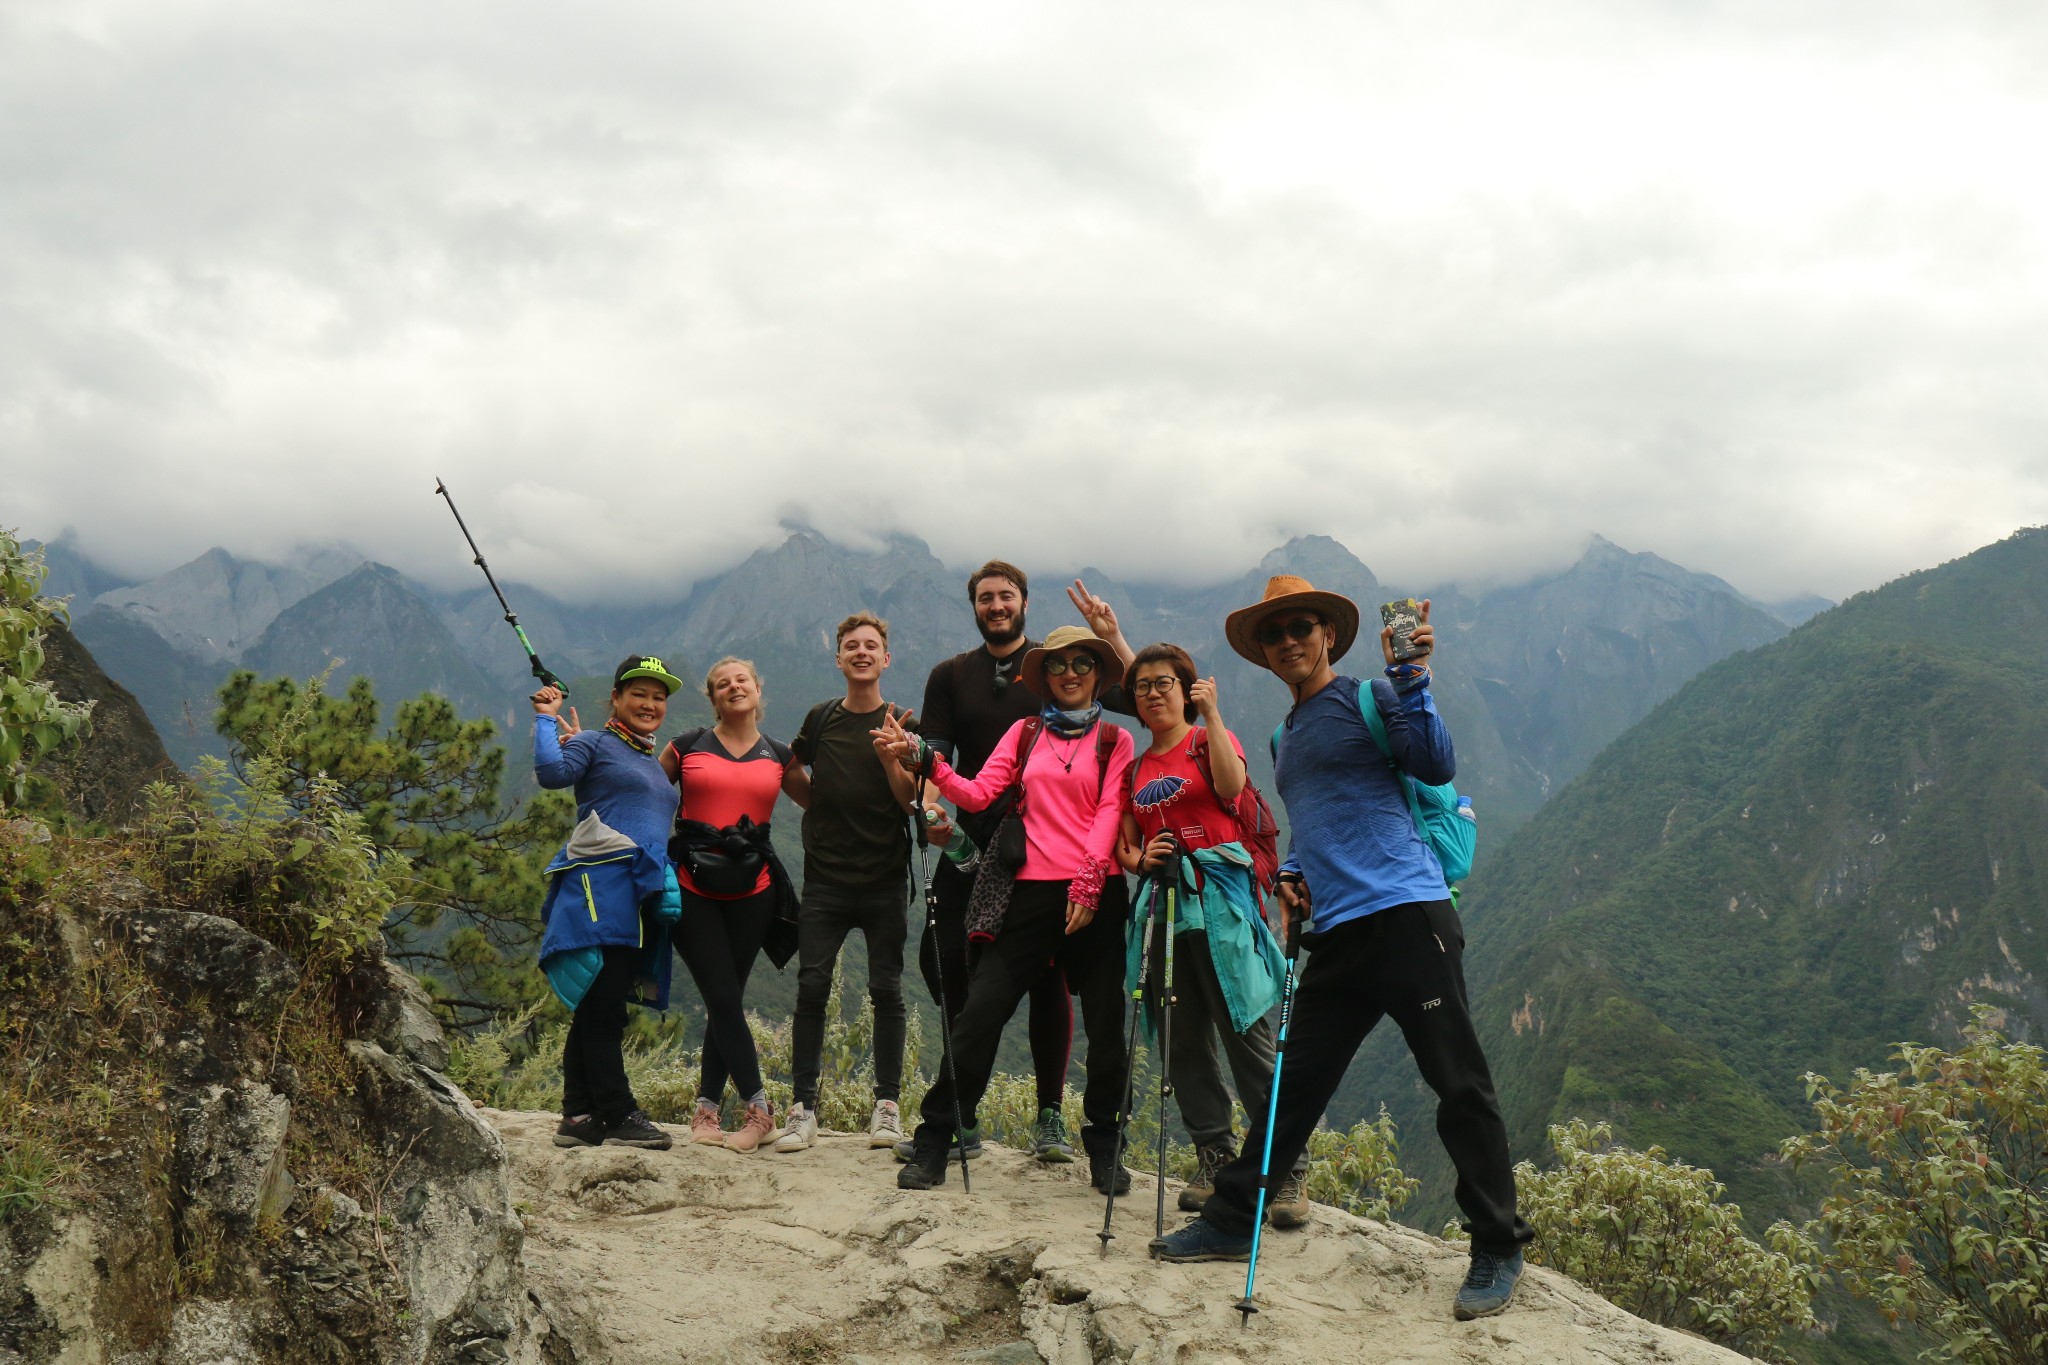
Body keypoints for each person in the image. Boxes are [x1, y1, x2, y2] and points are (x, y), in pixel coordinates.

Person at [1150, 576, 1533, 1322]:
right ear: (1262, 652)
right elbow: (1322, 820)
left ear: (1328, 634)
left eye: (1302, 626)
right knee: (1294, 1086)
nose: (1289, 639)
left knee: (1458, 1083)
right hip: (1339, 931)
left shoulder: (1371, 697)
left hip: (1407, 917)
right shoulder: (1283, 736)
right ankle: (1234, 1218)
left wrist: (1413, 677)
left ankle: (1498, 1241)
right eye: (1275, 632)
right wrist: (1293, 870)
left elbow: (1435, 764)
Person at [878, 625, 1137, 1194]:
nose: (1070, 673)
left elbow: (1109, 812)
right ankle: (936, 1140)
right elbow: (976, 793)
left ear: (1097, 675)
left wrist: (1089, 884)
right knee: (980, 1014)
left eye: (1082, 664)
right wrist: (924, 759)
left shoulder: (1115, 742)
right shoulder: (1023, 735)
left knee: (1107, 1028)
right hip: (1029, 892)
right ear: (1043, 678)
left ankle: (1105, 1147)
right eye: (1059, 665)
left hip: (1098, 894)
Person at [1114, 643, 1310, 1222]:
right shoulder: (1135, 769)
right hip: (1164, 911)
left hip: (1221, 907)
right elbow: (1125, 843)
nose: (1154, 692)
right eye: (1143, 685)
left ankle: (1288, 1170)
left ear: (1186, 689)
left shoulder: (1204, 743)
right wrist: (1140, 858)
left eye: (1165, 682)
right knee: (1183, 1042)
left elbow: (1230, 786)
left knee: (1248, 1033)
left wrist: (1216, 716)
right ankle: (1216, 1157)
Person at [774, 612, 922, 1154]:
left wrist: (891, 757)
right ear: (838, 659)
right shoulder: (820, 719)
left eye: (872, 646)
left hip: (884, 877)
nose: (861, 653)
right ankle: (803, 1108)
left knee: (886, 989)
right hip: (827, 880)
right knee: (811, 986)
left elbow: (911, 803)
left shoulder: (903, 722)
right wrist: (822, 808)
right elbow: (791, 770)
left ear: (886, 659)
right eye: (851, 646)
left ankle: (886, 1106)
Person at [532, 656, 686, 1152]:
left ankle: (578, 1116)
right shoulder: (595, 742)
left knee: (603, 1000)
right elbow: (552, 774)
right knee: (604, 1005)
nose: (650, 704)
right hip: (602, 884)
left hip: (636, 891)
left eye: (659, 696)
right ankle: (618, 1112)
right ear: (615, 699)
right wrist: (544, 718)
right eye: (639, 693)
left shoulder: (646, 758)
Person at [662, 656, 811, 1153]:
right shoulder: (686, 747)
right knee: (723, 996)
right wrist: (589, 751)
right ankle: (760, 1107)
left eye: (741, 679)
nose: (733, 687)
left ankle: (706, 1109)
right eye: (722, 684)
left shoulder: (780, 755)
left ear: (757, 687)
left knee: (723, 997)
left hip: (755, 891)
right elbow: (637, 786)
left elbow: (823, 803)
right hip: (691, 885)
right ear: (713, 699)